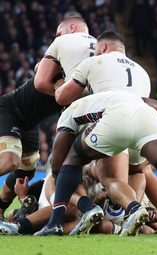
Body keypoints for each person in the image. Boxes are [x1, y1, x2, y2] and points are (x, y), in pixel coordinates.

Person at [34, 32, 157, 237]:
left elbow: (62, 97)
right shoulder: (142, 71)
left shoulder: (93, 63)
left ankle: (57, 223)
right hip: (145, 113)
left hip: (112, 116)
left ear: (103, 48)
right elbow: (154, 105)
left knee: (76, 163)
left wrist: (57, 83)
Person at [0, 16, 96, 221]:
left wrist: (63, 86)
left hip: (31, 121)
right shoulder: (94, 51)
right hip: (12, 110)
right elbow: (39, 80)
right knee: (10, 162)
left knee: (24, 174)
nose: (57, 38)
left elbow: (40, 73)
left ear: (72, 28)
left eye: (58, 34)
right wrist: (64, 90)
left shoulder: (67, 46)